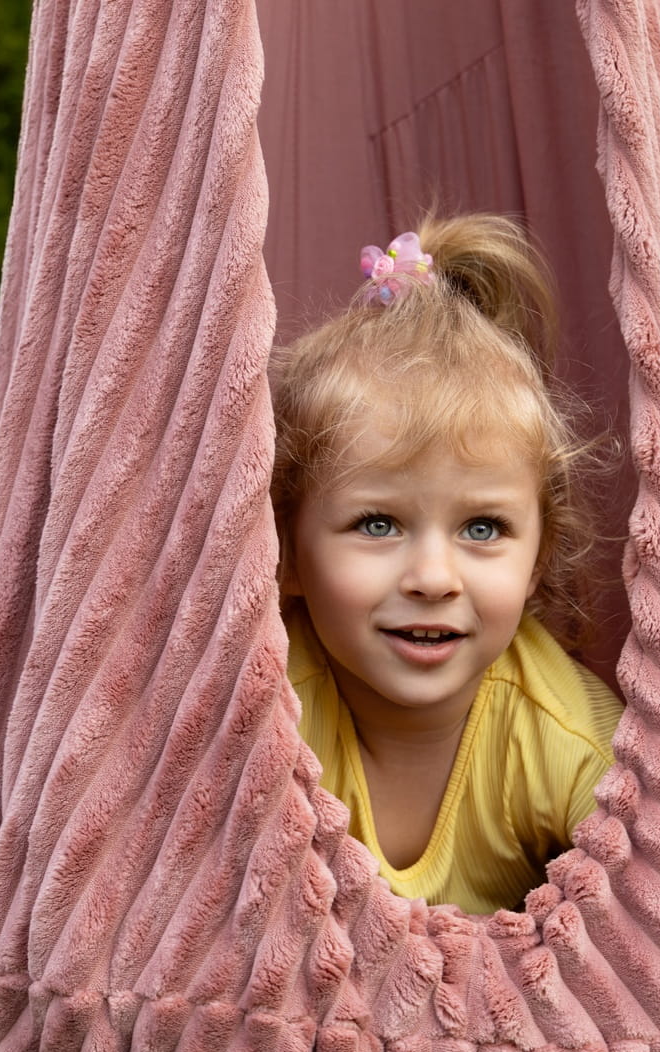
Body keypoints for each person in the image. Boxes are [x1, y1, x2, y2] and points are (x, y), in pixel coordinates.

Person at [271, 214, 624, 913]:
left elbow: (654, 919)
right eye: (377, 524)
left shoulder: (574, 742)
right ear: (285, 554)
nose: (434, 578)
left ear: (538, 558)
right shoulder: (269, 712)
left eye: (483, 528)